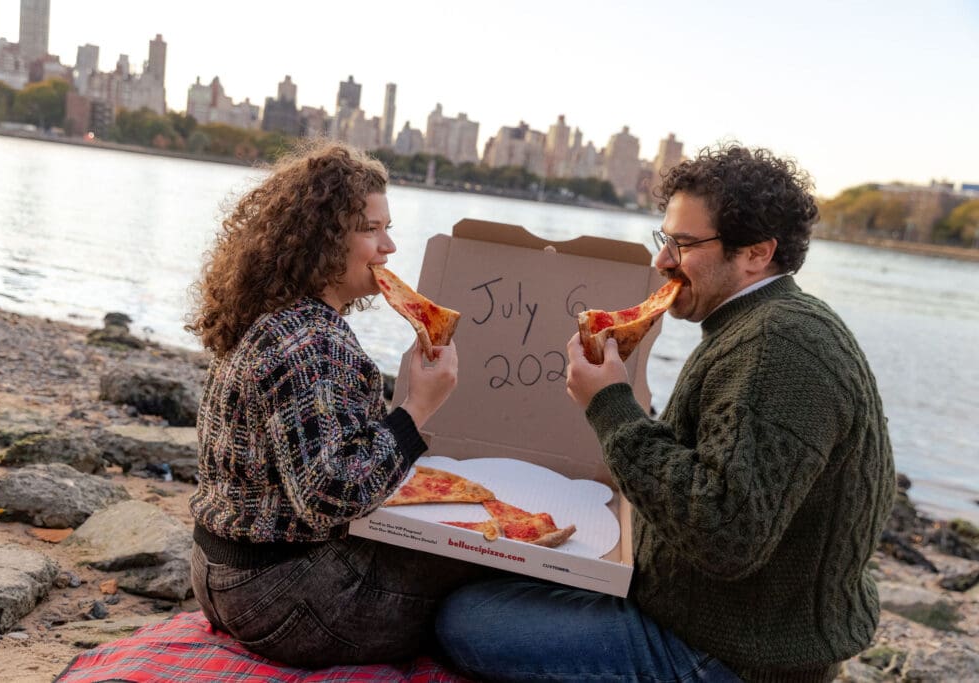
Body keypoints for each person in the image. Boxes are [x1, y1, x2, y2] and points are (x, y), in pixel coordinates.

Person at [436, 144, 896, 682]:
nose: (661, 261)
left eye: (682, 244)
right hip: (722, 618)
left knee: (464, 619)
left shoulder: (777, 345)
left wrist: (609, 404)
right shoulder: (765, 323)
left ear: (756, 253)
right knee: (486, 570)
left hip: (732, 655)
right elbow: (721, 474)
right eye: (664, 239)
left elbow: (726, 535)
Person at [186, 141, 487, 668]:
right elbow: (329, 495)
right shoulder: (315, 342)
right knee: (482, 576)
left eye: (388, 227)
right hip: (284, 599)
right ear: (322, 242)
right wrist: (416, 410)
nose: (389, 246)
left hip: (215, 575)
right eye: (371, 229)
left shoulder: (267, 316)